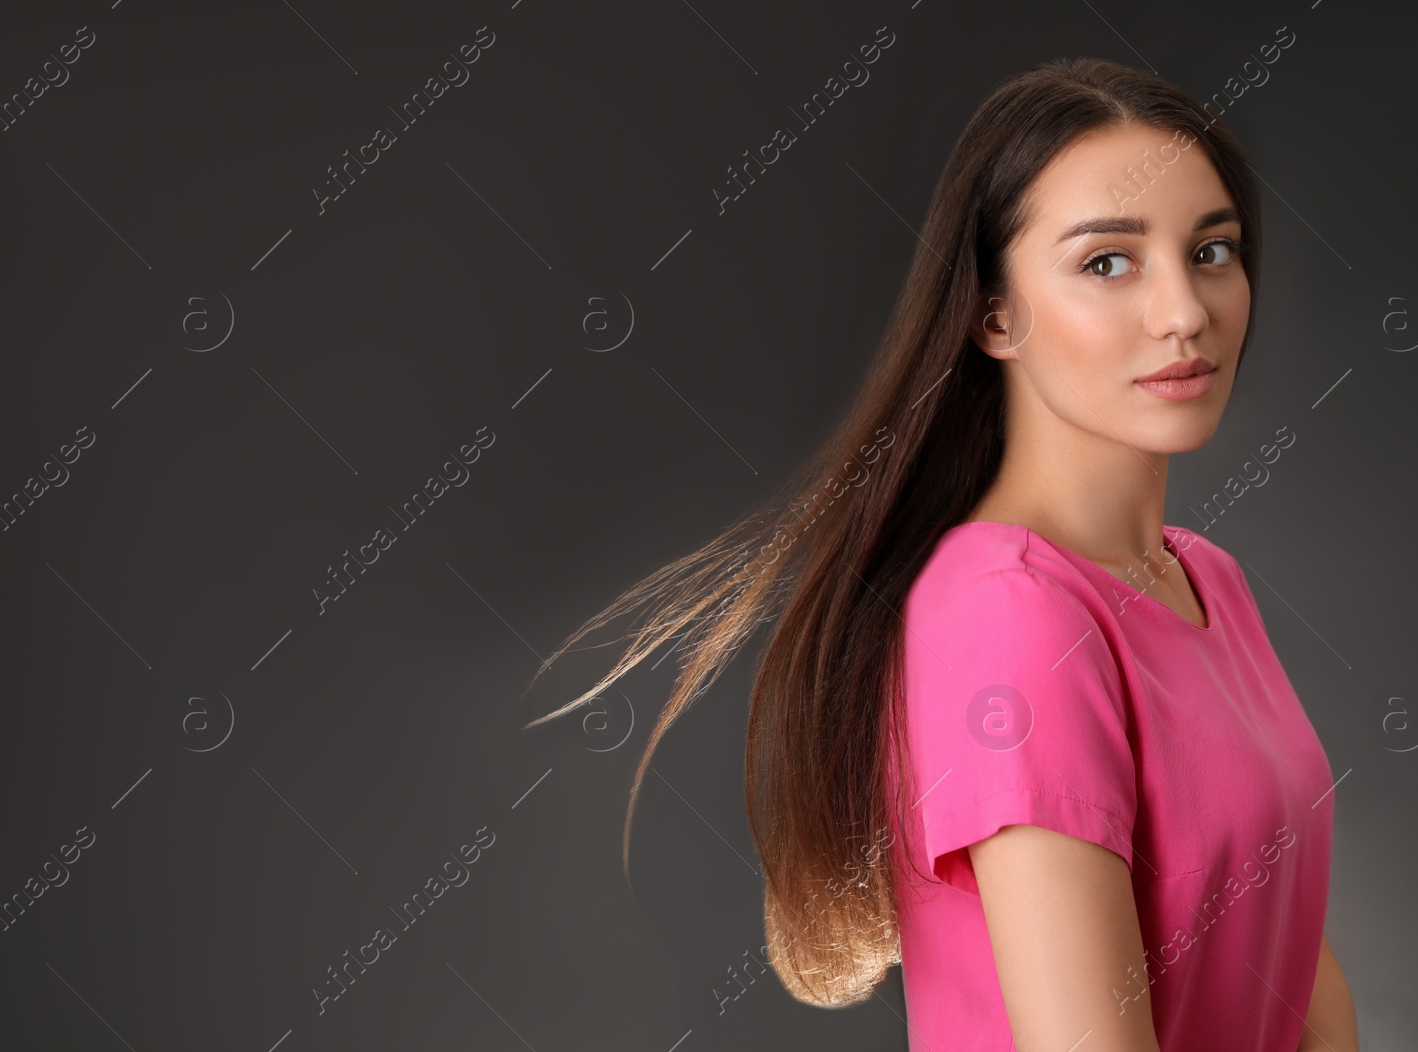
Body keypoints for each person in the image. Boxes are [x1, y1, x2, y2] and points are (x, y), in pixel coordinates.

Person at [522, 56, 1357, 1051]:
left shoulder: (1206, 579)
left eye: (1212, 251)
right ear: (992, 314)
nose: (1184, 311)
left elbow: (1298, 978)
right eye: (1107, 262)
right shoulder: (1006, 608)